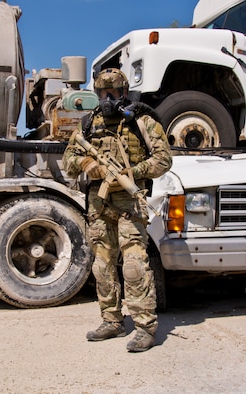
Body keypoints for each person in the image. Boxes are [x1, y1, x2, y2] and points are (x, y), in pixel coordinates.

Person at [63, 68, 172, 352]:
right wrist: (89, 166)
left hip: (130, 204)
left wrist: (133, 172)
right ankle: (111, 320)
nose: (108, 98)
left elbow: (164, 160)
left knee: (135, 265)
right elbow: (69, 158)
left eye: (113, 93)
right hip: (99, 205)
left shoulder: (142, 121)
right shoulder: (88, 124)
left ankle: (145, 326)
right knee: (102, 266)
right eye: (102, 93)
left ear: (125, 93)